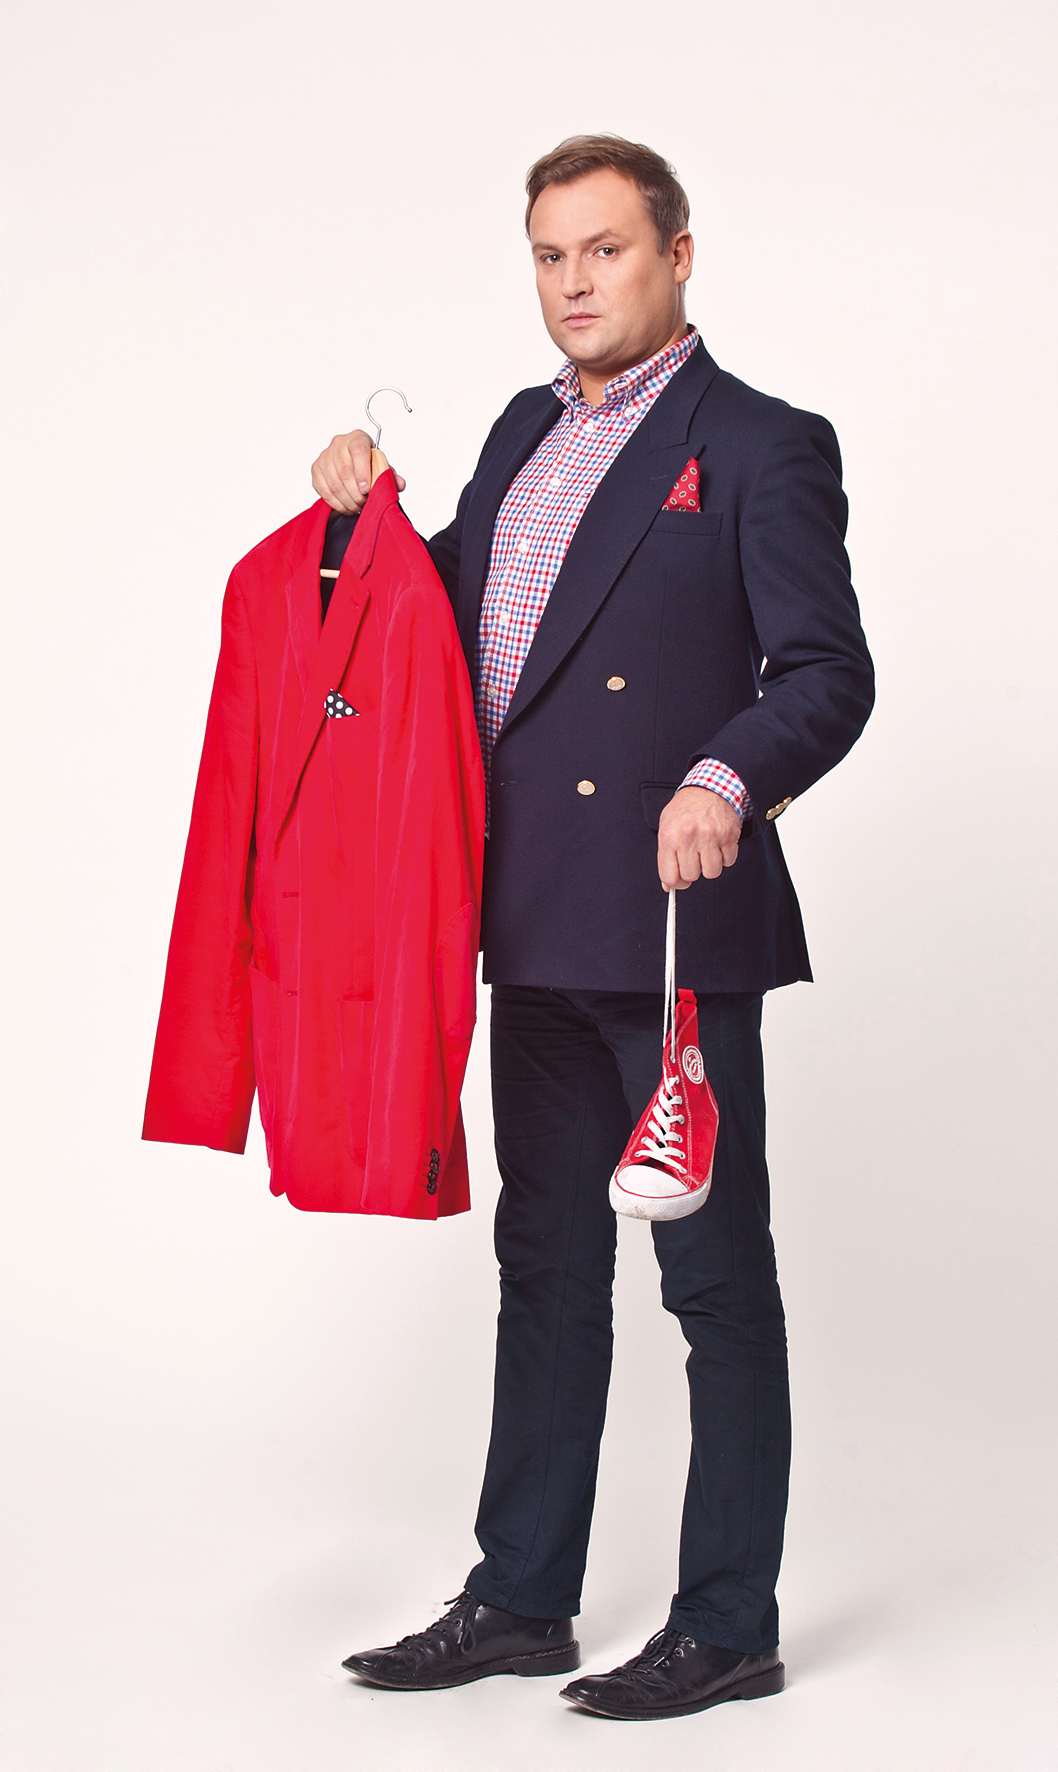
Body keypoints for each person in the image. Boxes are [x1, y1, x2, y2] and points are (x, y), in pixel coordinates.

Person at [311, 135, 874, 1724]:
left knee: (712, 1281)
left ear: (676, 257)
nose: (573, 282)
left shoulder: (757, 442)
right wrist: (354, 522)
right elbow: (429, 624)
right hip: (531, 909)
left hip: (674, 922)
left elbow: (826, 672)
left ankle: (727, 1623)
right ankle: (517, 1599)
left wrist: (725, 776)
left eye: (605, 249)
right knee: (544, 1265)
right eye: (550, 255)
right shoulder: (517, 429)